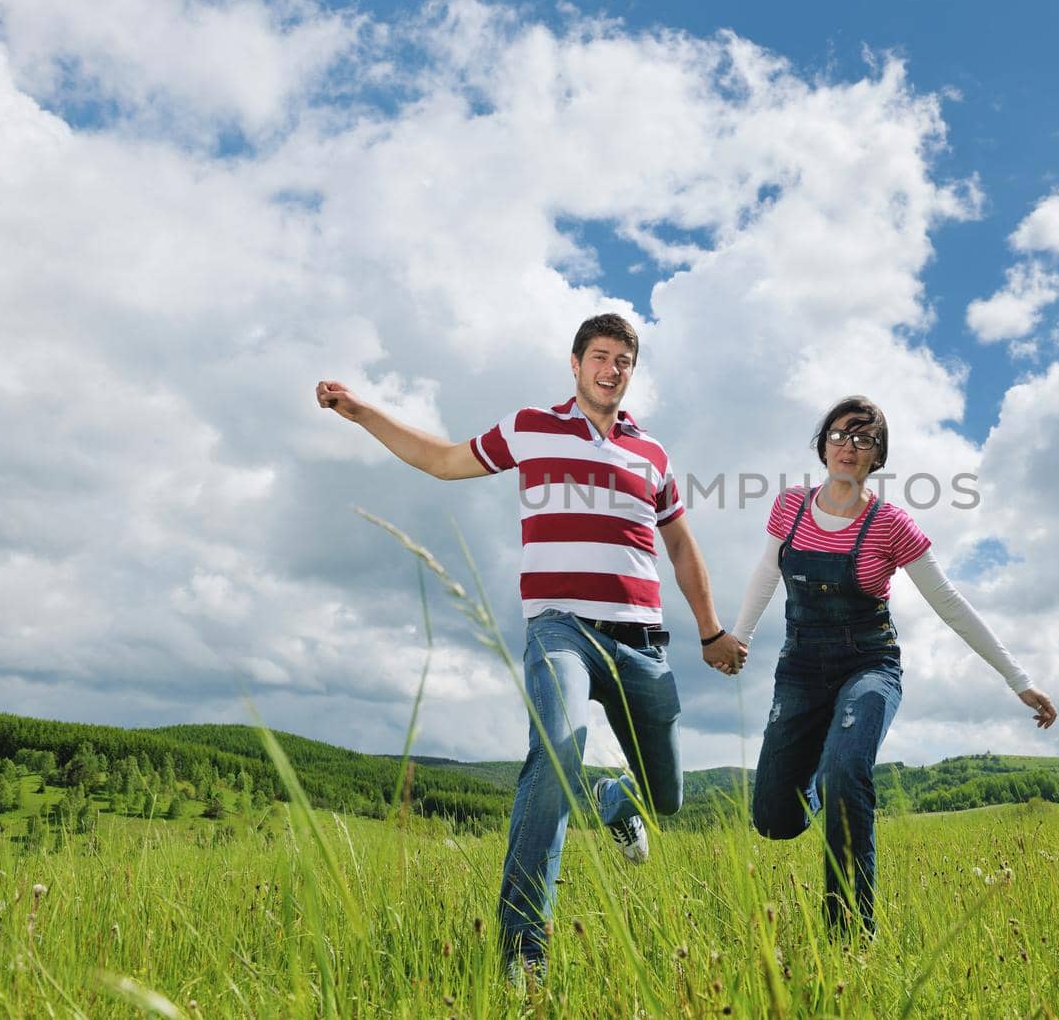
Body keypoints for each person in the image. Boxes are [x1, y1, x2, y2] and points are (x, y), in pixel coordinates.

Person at [316, 313, 746, 979]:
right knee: (555, 754)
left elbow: (682, 545)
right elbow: (441, 459)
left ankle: (617, 800)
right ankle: (525, 945)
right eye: (600, 357)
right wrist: (363, 412)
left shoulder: (652, 454)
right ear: (574, 364)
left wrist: (711, 629)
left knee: (666, 798)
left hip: (642, 640)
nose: (611, 370)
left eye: (624, 361)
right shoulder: (530, 427)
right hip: (560, 628)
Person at [729, 396, 1057, 934]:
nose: (848, 447)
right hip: (800, 669)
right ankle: (824, 777)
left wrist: (1017, 678)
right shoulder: (790, 506)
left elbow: (950, 603)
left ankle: (850, 934)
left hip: (869, 668)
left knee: (845, 772)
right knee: (773, 819)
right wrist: (738, 637)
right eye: (839, 434)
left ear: (878, 456)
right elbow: (768, 571)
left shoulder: (890, 525)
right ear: (823, 443)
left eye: (863, 440)